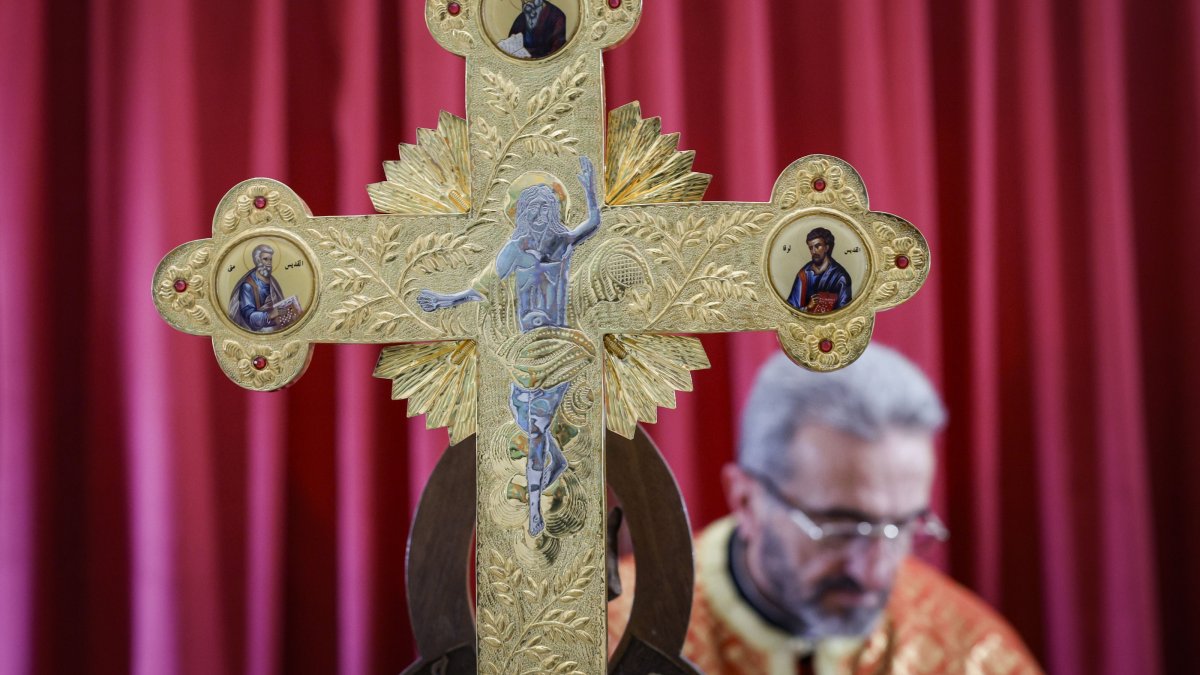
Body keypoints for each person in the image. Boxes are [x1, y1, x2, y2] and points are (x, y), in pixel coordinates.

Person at [608, 345, 1042, 674]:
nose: (874, 571)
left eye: (903, 527)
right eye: (839, 527)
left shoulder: (970, 650)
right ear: (746, 500)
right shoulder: (609, 634)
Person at [417, 157, 600, 536]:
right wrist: (448, 300)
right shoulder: (515, 249)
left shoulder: (564, 243)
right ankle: (557, 462)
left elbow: (593, 225)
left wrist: (588, 189)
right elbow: (483, 286)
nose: (537, 214)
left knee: (533, 426)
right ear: (521, 214)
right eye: (531, 208)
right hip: (526, 349)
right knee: (523, 415)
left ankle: (534, 508)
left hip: (559, 348)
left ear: (552, 212)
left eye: (544, 208)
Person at [227, 244, 293, 332]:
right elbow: (249, 316)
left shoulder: (273, 281)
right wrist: (270, 315)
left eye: (270, 259)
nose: (269, 263)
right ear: (258, 260)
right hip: (256, 330)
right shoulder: (248, 285)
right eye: (265, 259)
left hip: (277, 325)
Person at [787, 227, 852, 313]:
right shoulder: (804, 274)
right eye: (810, 248)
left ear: (826, 247)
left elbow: (844, 311)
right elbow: (791, 308)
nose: (814, 251)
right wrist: (808, 308)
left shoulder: (840, 277)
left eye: (817, 246)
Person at [502, 0, 567, 59]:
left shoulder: (556, 16)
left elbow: (557, 49)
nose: (525, 2)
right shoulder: (521, 18)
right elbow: (510, 45)